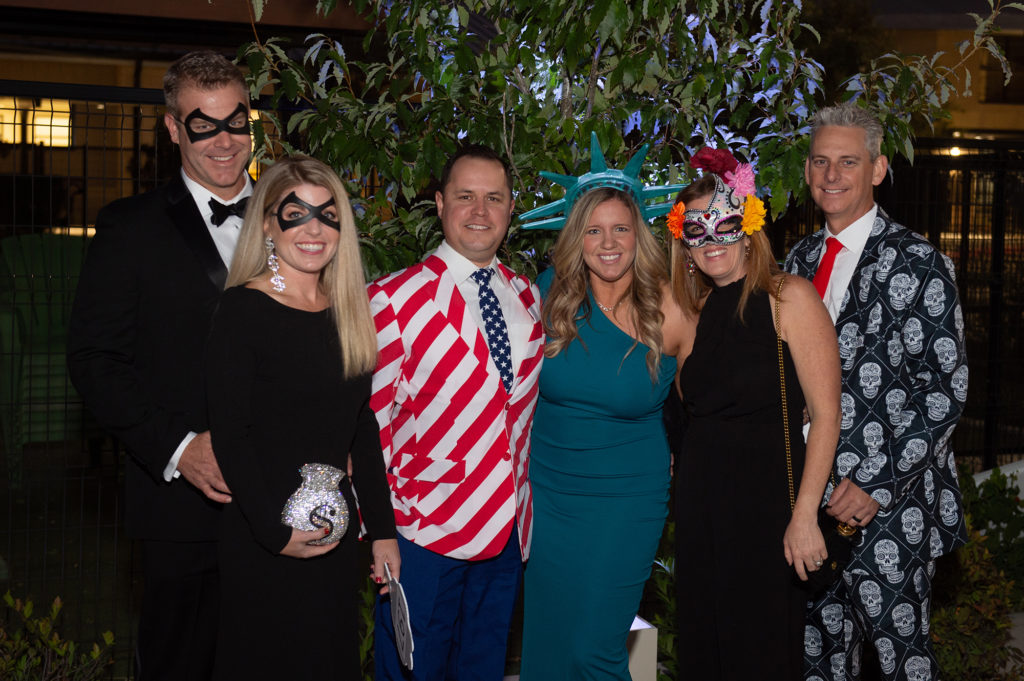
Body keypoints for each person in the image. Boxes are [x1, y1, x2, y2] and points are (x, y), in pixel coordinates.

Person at [68, 50, 253, 681]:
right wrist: (180, 449)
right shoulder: (130, 228)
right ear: (173, 128)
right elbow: (95, 360)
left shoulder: (297, 217)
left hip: (283, 496)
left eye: (236, 121)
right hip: (182, 508)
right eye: (204, 124)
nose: (224, 141)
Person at [786, 102, 967, 681]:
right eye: (820, 161)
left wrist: (876, 484)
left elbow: (945, 390)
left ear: (878, 169)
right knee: (814, 665)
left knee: (902, 665)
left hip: (891, 510)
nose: (831, 174)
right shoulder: (796, 262)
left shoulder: (919, 261)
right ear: (807, 171)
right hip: (807, 507)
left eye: (848, 161)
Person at [203, 155, 399, 679]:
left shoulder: (347, 309)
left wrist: (382, 531)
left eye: (328, 215)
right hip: (262, 540)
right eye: (296, 215)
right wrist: (273, 532)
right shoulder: (242, 311)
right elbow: (231, 435)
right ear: (268, 224)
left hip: (333, 541)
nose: (314, 230)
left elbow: (361, 426)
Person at [516, 134, 694, 680]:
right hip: (547, 495)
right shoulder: (547, 294)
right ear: (577, 238)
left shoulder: (673, 308)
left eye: (621, 228)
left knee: (595, 648)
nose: (609, 242)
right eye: (594, 230)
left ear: (640, 234)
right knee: (548, 641)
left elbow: (710, 404)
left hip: (626, 500)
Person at [368, 143, 545, 680]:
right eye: (466, 196)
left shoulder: (528, 296)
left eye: (494, 197)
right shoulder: (393, 298)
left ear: (511, 207)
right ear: (441, 204)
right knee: (411, 671)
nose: (480, 210)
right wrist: (377, 530)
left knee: (483, 671)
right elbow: (369, 426)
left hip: (507, 532)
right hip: (420, 534)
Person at [669, 147, 842, 679]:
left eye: (725, 224)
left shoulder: (789, 297)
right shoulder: (693, 313)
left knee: (758, 657)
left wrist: (805, 515)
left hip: (766, 515)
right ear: (683, 241)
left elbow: (827, 415)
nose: (712, 240)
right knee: (704, 654)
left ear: (748, 229)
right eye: (696, 229)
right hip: (701, 514)